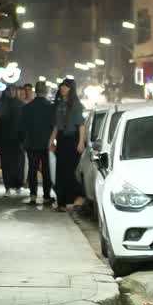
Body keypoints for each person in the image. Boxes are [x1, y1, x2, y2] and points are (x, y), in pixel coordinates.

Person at [50, 78, 87, 213]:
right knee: (60, 172)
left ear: (71, 89)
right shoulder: (60, 104)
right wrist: (51, 142)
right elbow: (56, 126)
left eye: (66, 87)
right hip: (61, 140)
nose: (63, 89)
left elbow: (81, 125)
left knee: (70, 172)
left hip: (72, 140)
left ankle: (75, 200)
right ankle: (62, 203)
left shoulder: (76, 104)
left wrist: (81, 142)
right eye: (62, 86)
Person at [21, 80, 56, 205]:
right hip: (45, 143)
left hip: (31, 142)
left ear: (35, 91)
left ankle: (33, 195)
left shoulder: (28, 107)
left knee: (32, 169)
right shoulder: (50, 107)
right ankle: (46, 196)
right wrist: (52, 142)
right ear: (45, 91)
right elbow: (54, 126)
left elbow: (23, 126)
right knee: (46, 170)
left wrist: (23, 141)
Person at [0, 85, 26, 196]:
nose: (13, 92)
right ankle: (8, 187)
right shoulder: (1, 106)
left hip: (16, 140)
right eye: (11, 90)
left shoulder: (19, 105)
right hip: (7, 140)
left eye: (14, 90)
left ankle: (16, 185)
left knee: (16, 164)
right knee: (8, 164)